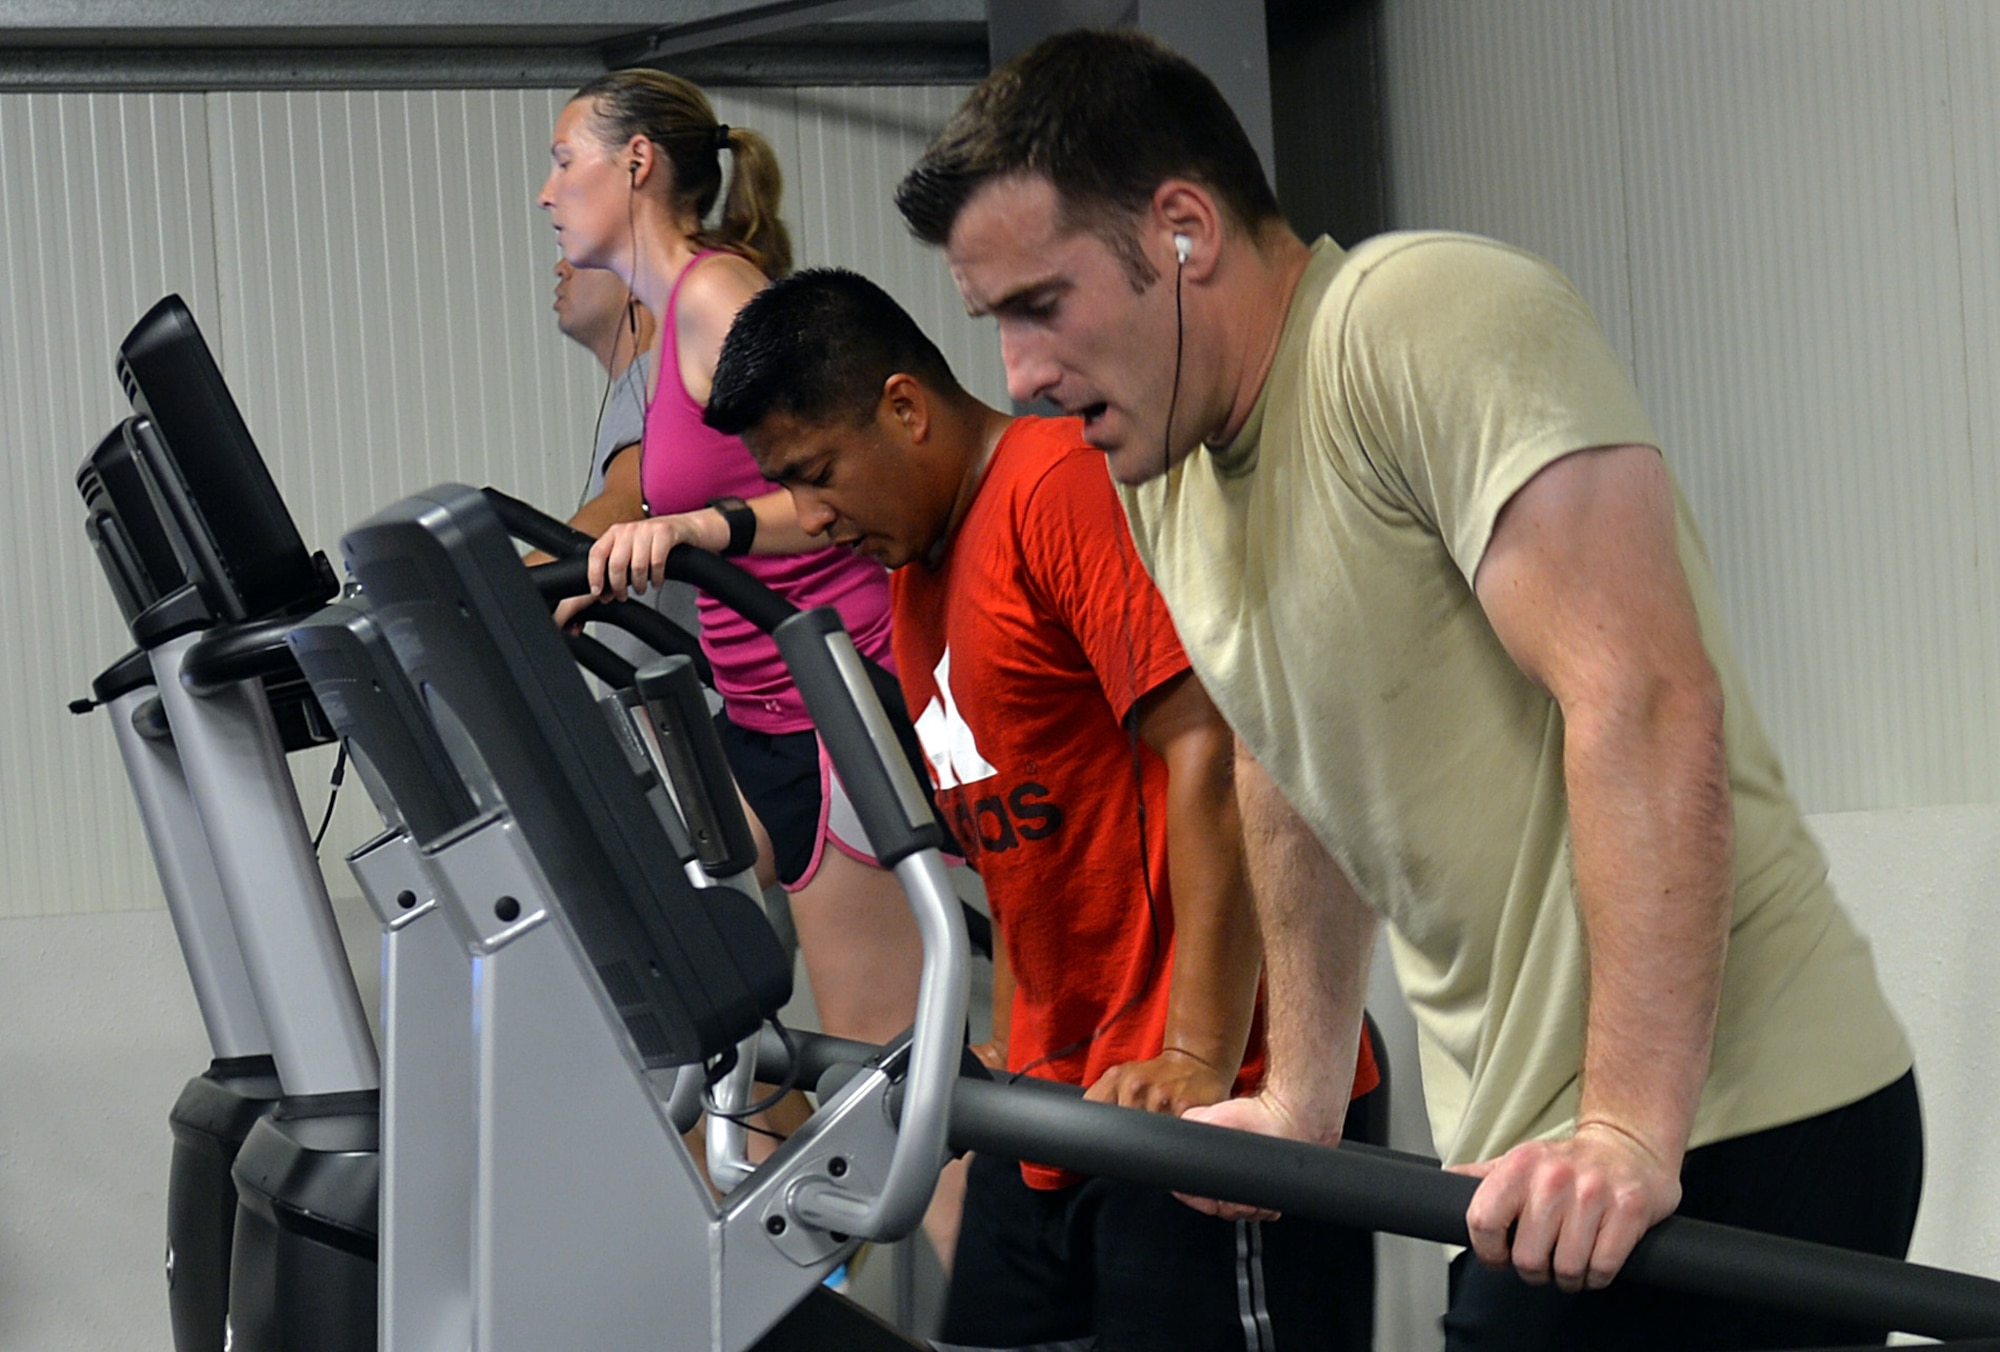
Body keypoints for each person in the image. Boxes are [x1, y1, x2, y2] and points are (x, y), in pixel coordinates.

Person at [892, 27, 1920, 1352]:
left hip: (1738, 1127)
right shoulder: (1176, 477)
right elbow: (1283, 756)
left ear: (1185, 230)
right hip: (1530, 1160)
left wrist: (1625, 1131)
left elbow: (1648, 700)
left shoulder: (1414, 322)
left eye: (1042, 303)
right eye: (997, 325)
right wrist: (1303, 1100)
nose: (1021, 374)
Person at [703, 265, 1381, 1352]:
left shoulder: (1055, 486)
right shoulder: (915, 578)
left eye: (818, 473)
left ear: (904, 407)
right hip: (1059, 1101)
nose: (814, 516)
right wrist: (1018, 1058)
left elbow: (1211, 750)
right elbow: (1025, 853)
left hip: (1206, 1092)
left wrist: (1199, 1055)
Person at [535, 66, 965, 1264]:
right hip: (756, 706)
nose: (544, 191)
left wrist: (690, 532)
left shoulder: (721, 299)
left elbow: (836, 492)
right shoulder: (664, 318)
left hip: (844, 695)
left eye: (564, 159)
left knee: (890, 1070)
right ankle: (765, 1274)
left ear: (634, 166)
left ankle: (994, 1309)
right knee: (656, 978)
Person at [545, 255, 698, 640]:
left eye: (582, 258)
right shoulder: (640, 387)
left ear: (635, 283)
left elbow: (626, 507)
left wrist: (499, 592)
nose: (561, 268)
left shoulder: (652, 380)